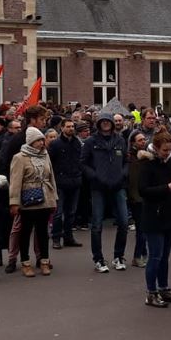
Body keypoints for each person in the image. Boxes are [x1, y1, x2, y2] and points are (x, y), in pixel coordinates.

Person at [139, 130, 171, 308]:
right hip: (154, 216)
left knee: (164, 257)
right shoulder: (147, 164)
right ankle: (151, 292)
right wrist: (166, 188)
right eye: (165, 150)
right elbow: (143, 190)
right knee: (155, 257)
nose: (168, 152)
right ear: (156, 148)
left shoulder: (170, 163)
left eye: (170, 149)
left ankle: (164, 288)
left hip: (169, 215)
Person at [0, 106, 48, 272]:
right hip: (22, 191)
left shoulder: (42, 139)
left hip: (40, 190)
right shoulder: (17, 139)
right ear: (33, 120)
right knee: (18, 227)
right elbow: (7, 165)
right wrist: (15, 194)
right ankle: (13, 259)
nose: (44, 122)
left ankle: (41, 257)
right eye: (41, 119)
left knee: (40, 227)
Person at [81, 112, 130, 273]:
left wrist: (122, 174)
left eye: (108, 121)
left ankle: (118, 256)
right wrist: (94, 176)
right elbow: (83, 163)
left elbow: (126, 161)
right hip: (98, 187)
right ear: (99, 123)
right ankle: (98, 259)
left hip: (118, 185)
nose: (106, 124)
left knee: (123, 222)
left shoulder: (120, 140)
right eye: (103, 122)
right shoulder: (91, 141)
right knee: (97, 225)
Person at [9, 127, 57, 277]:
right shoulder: (20, 157)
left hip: (45, 199)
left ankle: (44, 261)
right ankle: (25, 263)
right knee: (25, 232)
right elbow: (15, 181)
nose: (42, 143)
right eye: (38, 140)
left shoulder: (45, 155)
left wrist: (54, 199)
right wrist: (14, 202)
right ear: (30, 141)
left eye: (42, 140)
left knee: (43, 232)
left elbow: (51, 178)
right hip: (28, 200)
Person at [47, 119, 84, 250]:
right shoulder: (55, 144)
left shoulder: (77, 143)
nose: (71, 129)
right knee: (58, 212)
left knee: (71, 212)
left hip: (75, 181)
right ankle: (56, 238)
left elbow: (81, 159)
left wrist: (79, 172)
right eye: (68, 126)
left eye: (72, 126)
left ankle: (68, 237)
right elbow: (50, 162)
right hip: (60, 182)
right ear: (62, 128)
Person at [126, 130, 151, 267]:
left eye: (144, 140)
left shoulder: (147, 157)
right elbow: (133, 179)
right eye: (140, 140)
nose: (143, 142)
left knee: (144, 228)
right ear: (133, 142)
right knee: (141, 228)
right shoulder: (130, 158)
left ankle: (143, 252)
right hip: (136, 197)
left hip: (145, 196)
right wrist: (133, 197)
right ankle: (137, 256)